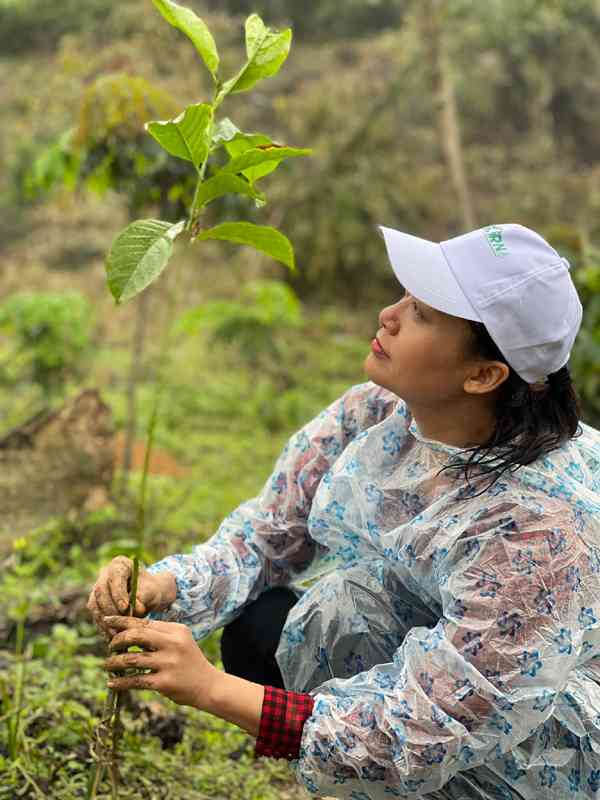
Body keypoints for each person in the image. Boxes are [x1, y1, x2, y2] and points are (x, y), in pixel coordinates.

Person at [88, 223, 600, 800]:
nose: (389, 314)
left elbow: (428, 728)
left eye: (424, 315)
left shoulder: (540, 526)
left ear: (483, 375)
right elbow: (265, 537)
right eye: (406, 296)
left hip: (549, 740)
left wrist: (212, 689)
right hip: (443, 672)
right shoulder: (381, 413)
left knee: (373, 659)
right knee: (326, 612)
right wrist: (164, 585)